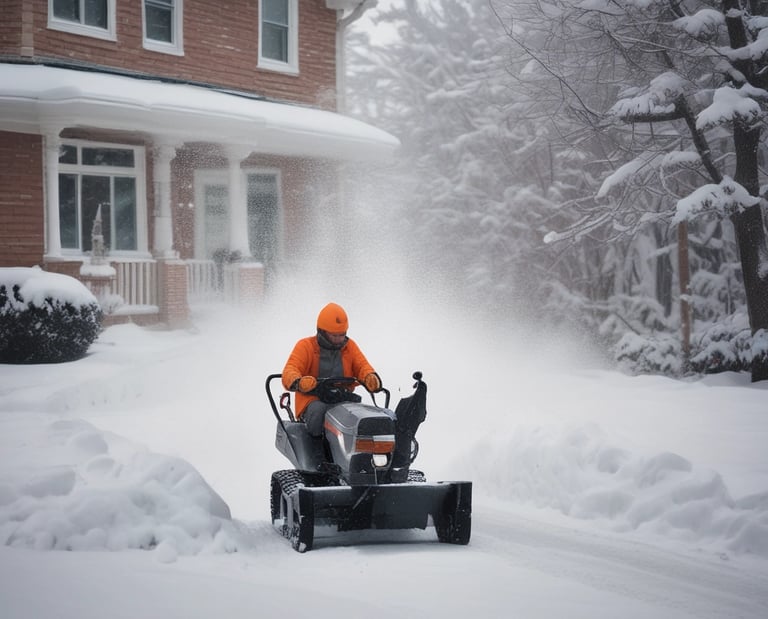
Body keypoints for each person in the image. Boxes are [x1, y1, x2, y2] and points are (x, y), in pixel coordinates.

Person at [282, 302, 382, 437]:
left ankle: (359, 453)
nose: (339, 339)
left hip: (342, 398)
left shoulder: (349, 347)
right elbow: (290, 370)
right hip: (313, 400)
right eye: (334, 335)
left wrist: (370, 377)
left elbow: (362, 366)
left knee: (359, 416)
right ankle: (317, 451)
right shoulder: (305, 346)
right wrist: (300, 382)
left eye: (342, 335)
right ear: (322, 332)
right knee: (319, 412)